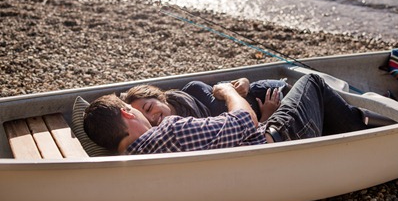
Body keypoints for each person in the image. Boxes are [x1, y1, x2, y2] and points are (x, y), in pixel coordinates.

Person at [83, 73, 397, 154]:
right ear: (126, 115)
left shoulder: (129, 156)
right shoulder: (170, 133)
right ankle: (374, 133)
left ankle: (360, 118)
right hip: (279, 142)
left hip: (255, 145)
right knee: (313, 82)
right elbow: (244, 120)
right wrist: (229, 91)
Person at [121, 78, 291, 126]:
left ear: (160, 97)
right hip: (269, 115)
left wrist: (243, 82)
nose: (151, 118)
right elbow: (247, 135)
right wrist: (267, 115)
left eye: (149, 108)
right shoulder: (178, 131)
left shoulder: (193, 89)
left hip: (268, 91)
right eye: (144, 117)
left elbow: (227, 88)